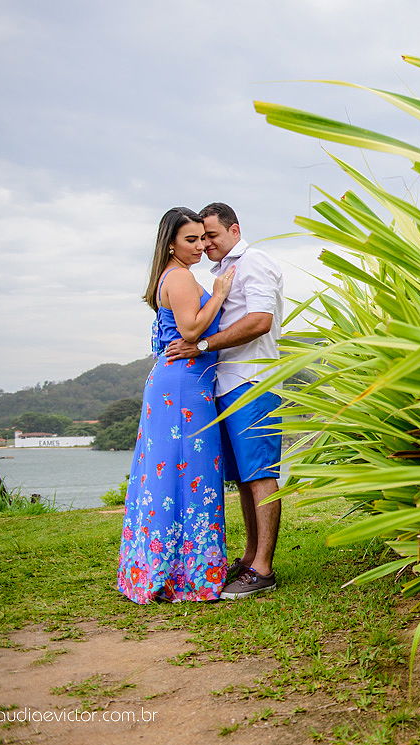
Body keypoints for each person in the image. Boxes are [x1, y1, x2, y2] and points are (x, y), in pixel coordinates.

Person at [165, 202, 284, 600]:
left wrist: (201, 344)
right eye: (200, 236)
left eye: (212, 235)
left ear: (235, 229)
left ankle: (263, 569)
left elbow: (260, 320)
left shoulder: (254, 261)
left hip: (253, 382)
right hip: (226, 386)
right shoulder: (220, 273)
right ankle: (250, 559)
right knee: (243, 479)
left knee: (262, 475)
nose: (206, 243)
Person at [118, 207, 235, 603]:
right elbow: (190, 329)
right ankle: (187, 576)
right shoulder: (181, 276)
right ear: (170, 243)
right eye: (191, 239)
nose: (201, 246)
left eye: (203, 238)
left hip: (176, 383)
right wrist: (218, 295)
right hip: (184, 386)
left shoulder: (169, 276)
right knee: (189, 475)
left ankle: (157, 569)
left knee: (168, 474)